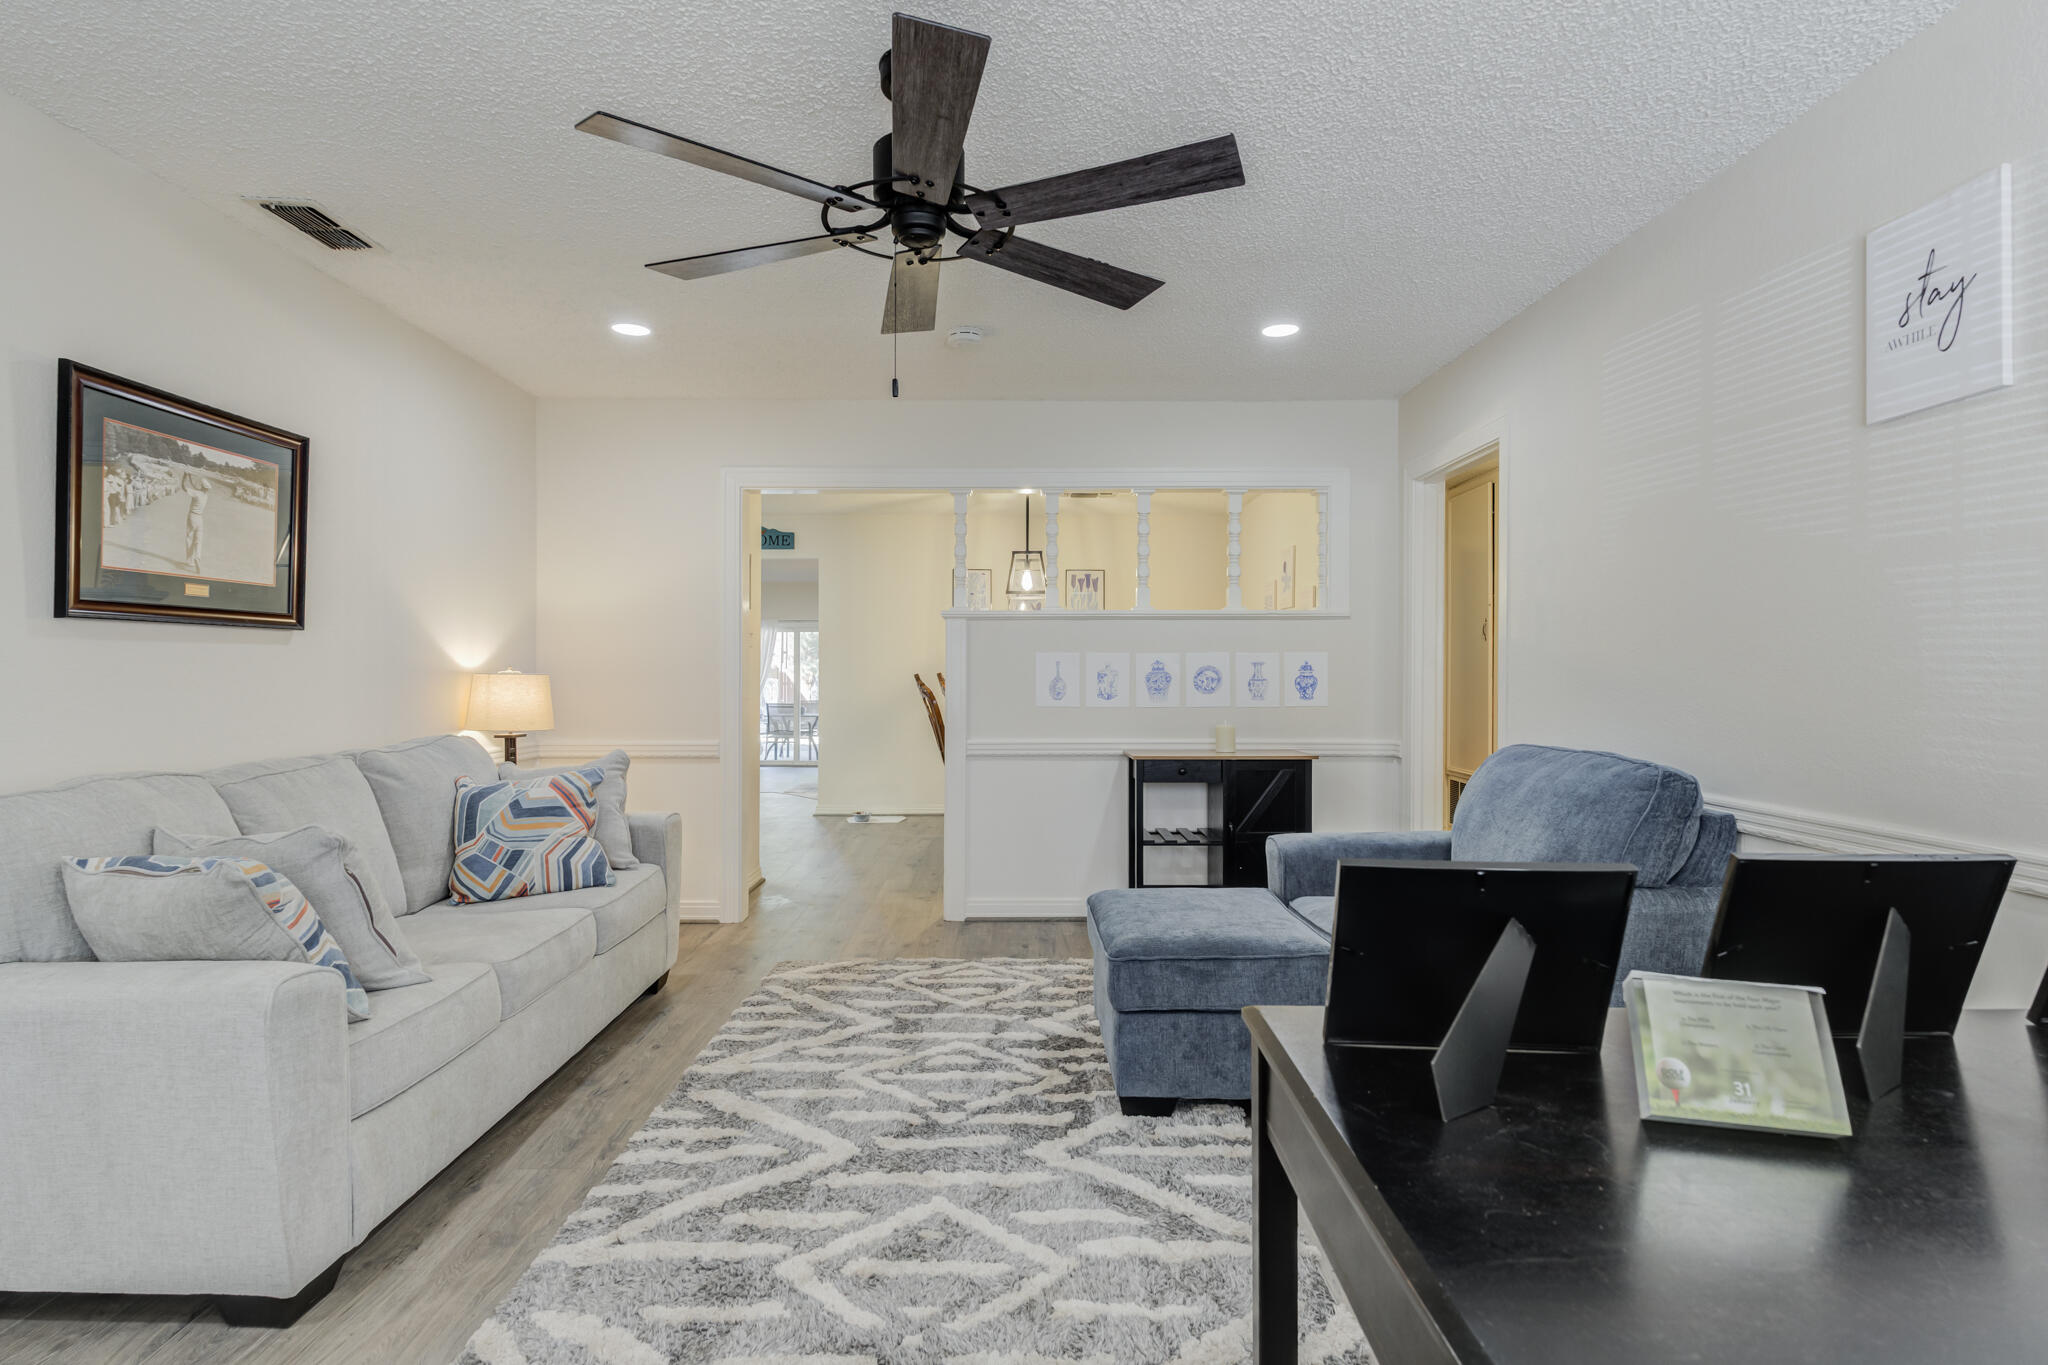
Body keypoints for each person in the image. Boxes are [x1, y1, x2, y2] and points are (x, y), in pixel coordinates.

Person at [183, 472, 208, 572]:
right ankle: (197, 558)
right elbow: (195, 488)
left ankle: (190, 561)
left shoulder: (196, 493)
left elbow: (184, 487)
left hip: (192, 516)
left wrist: (184, 477)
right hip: (200, 519)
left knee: (189, 537)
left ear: (201, 486)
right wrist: (189, 477)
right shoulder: (205, 495)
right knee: (198, 540)